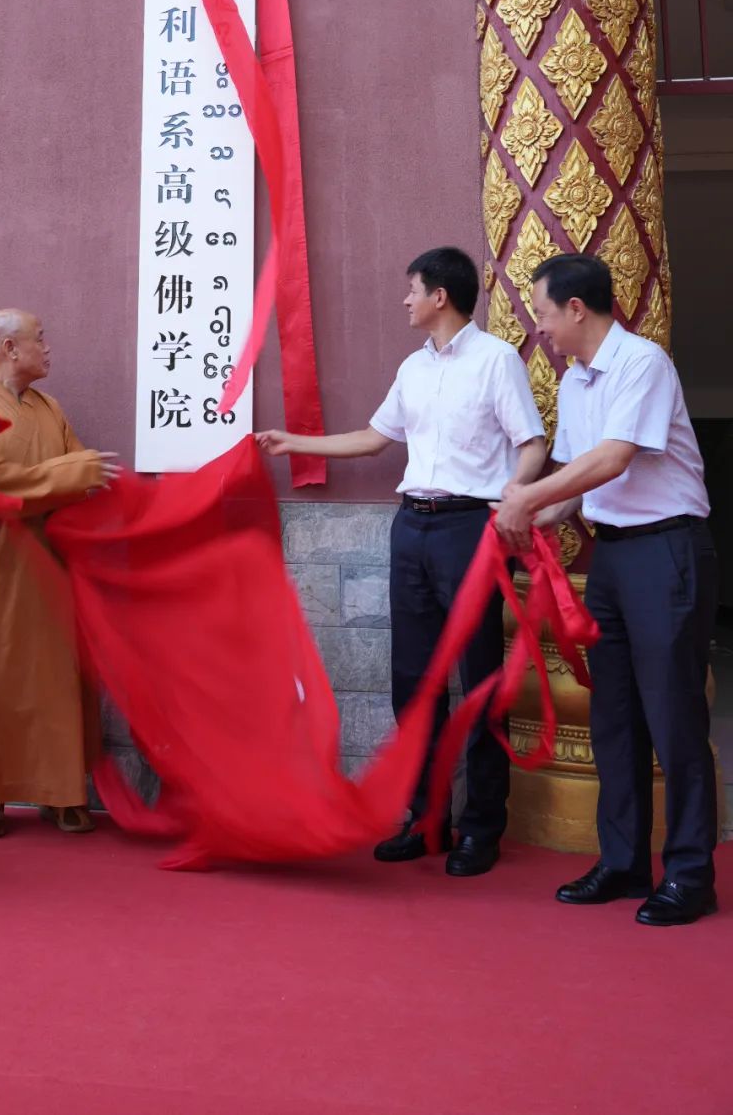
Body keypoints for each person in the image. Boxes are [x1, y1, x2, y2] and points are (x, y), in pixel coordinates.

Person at [258, 247, 547, 876]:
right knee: (413, 683)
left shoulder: (496, 361)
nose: (405, 300)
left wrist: (513, 504)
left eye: (412, 289)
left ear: (441, 295)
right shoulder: (413, 369)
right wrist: (293, 441)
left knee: (479, 681)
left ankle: (481, 828)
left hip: (473, 527)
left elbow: (532, 442)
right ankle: (424, 819)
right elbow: (373, 439)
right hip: (411, 528)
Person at [495, 254, 717, 926]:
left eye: (542, 313)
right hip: (616, 558)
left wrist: (529, 493)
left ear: (577, 310)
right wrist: (528, 517)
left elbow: (614, 456)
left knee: (674, 718)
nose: (540, 328)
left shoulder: (641, 364)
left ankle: (689, 874)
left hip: (667, 550)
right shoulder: (574, 385)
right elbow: (584, 481)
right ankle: (622, 862)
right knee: (614, 717)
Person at [0, 310, 119, 839]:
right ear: (9, 347)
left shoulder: (51, 409)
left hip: (51, 564)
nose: (48, 348)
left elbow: (79, 475)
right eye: (40, 339)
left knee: (60, 680)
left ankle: (64, 793)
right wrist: (75, 471)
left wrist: (76, 473)